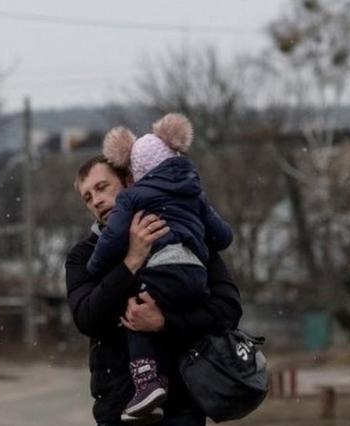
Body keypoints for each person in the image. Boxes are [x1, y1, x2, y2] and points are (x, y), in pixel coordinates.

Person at [66, 154, 242, 426]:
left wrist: (165, 323)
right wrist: (131, 261)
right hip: (119, 408)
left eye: (102, 187)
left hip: (183, 403)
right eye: (87, 197)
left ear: (129, 181)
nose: (96, 201)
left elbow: (228, 310)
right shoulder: (85, 256)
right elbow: (87, 318)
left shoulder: (187, 234)